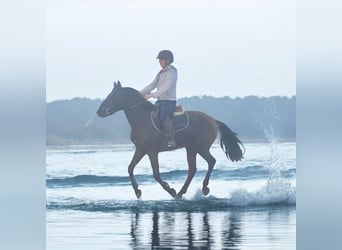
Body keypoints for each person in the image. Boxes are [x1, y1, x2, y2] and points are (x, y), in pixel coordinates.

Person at [140, 50, 177, 147]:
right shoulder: (160, 73)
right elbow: (152, 85)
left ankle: (170, 139)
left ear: (168, 61)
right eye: (159, 60)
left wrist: (151, 95)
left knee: (163, 117)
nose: (160, 62)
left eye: (161, 60)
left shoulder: (172, 72)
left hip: (169, 101)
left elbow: (166, 87)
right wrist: (139, 94)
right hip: (160, 100)